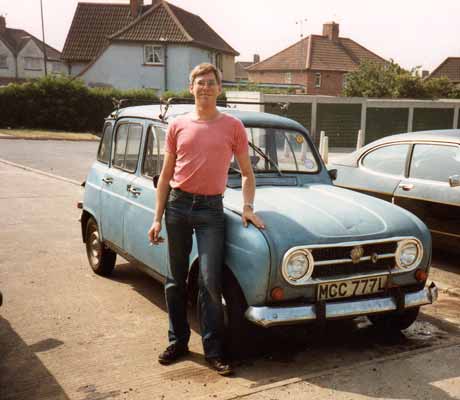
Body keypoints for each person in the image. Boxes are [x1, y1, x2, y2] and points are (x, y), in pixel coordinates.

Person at [148, 63, 265, 375]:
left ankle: (213, 351)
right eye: (200, 83)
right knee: (175, 279)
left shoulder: (233, 127)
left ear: (219, 88)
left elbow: (247, 173)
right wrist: (157, 217)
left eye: (211, 83)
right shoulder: (178, 125)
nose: (205, 88)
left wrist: (248, 206)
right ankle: (178, 341)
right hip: (177, 205)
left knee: (209, 282)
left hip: (211, 210)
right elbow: (165, 175)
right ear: (191, 88)